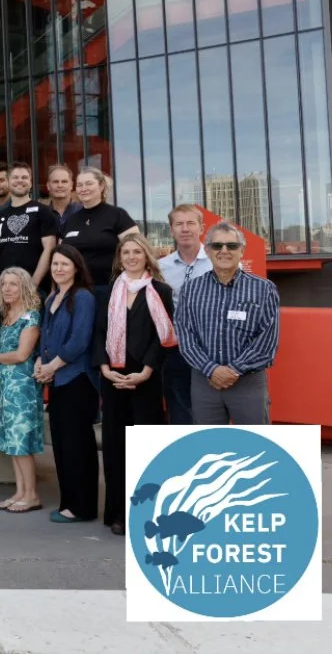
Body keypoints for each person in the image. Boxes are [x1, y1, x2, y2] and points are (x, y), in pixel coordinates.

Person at [95, 234, 175, 536]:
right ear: (119, 257)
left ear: (146, 255)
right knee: (115, 448)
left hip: (146, 379)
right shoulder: (108, 292)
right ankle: (118, 513)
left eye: (136, 252)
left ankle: (147, 513)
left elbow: (163, 337)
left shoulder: (160, 291)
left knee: (145, 447)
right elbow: (97, 333)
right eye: (125, 252)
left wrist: (146, 371)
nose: (131, 257)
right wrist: (103, 367)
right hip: (113, 377)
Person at [175, 222, 280, 426]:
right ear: (207, 251)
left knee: (255, 447)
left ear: (242, 250)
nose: (224, 251)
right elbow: (185, 336)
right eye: (217, 246)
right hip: (205, 382)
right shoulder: (190, 290)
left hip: (247, 382)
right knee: (210, 447)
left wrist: (233, 370)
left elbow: (267, 341)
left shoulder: (264, 289)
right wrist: (211, 369)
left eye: (231, 246)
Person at [35, 244, 98, 524]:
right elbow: (46, 337)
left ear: (76, 267)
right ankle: (68, 503)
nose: (59, 268)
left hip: (78, 380)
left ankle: (82, 507)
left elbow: (79, 341)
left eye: (64, 264)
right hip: (58, 380)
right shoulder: (52, 298)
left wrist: (52, 365)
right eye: (55, 264)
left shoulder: (82, 297)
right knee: (61, 445)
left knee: (77, 446)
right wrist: (40, 362)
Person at [0, 267, 43, 514]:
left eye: (13, 284)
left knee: (22, 443)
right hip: (6, 387)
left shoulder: (30, 316)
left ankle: (32, 494)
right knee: (13, 443)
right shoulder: (7, 314)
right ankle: (21, 491)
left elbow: (23, 354)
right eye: (4, 284)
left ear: (24, 287)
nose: (8, 289)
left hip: (22, 388)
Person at [157, 204, 213, 425]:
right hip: (175, 350)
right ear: (171, 230)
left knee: (210, 409)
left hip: (209, 348)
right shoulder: (160, 267)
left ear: (202, 228)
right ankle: (184, 457)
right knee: (178, 407)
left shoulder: (217, 262)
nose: (185, 229)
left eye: (191, 223)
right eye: (179, 224)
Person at [60, 167, 140, 289]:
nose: (83, 189)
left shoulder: (117, 215)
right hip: (74, 289)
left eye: (89, 184)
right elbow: (59, 255)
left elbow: (137, 249)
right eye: (80, 185)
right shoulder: (71, 220)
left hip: (109, 288)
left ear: (101, 186)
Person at [0, 161, 58, 288]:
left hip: (34, 288)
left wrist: (33, 284)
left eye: (24, 177)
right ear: (8, 182)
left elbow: (49, 249)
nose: (20, 181)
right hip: (4, 288)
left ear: (31, 182)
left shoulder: (43, 211)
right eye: (15, 177)